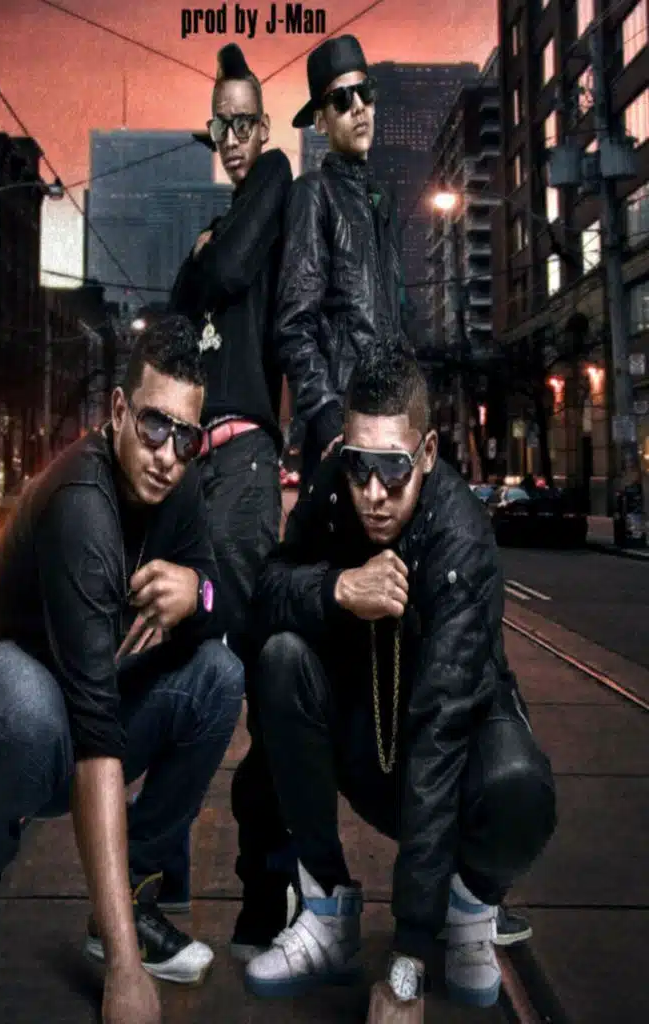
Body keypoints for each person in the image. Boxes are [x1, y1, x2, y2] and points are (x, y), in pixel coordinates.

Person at [0, 315, 244, 1022]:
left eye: (186, 438)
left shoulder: (179, 487)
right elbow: (95, 730)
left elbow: (227, 601)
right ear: (119, 411)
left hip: (83, 715)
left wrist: (197, 592)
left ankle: (126, 903)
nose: (167, 454)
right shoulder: (81, 502)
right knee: (25, 703)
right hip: (3, 724)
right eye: (155, 426)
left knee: (220, 678)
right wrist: (125, 976)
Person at [243, 344, 557, 1014]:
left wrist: (408, 955)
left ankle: (468, 908)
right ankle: (327, 911)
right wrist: (335, 589)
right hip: (368, 739)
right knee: (280, 659)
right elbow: (267, 589)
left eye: (393, 469)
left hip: (454, 752)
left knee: (520, 786)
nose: (374, 493)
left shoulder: (461, 539)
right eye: (360, 466)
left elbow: (441, 732)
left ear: (428, 452)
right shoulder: (333, 491)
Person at [167, 43, 306, 955]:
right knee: (179, 667)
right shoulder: (227, 221)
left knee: (259, 673)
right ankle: (157, 889)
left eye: (244, 121)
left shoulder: (277, 180)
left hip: (247, 467)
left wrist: (207, 257)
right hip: (194, 468)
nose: (232, 137)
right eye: (219, 124)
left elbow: (211, 282)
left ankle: (270, 892)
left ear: (263, 126)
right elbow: (177, 322)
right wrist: (203, 259)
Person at [278, 34, 405, 482]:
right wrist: (328, 416)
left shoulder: (381, 203)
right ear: (321, 121)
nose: (359, 108)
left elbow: (393, 325)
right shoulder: (313, 194)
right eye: (341, 99)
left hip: (389, 421)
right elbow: (293, 326)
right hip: (342, 430)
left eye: (365, 92)